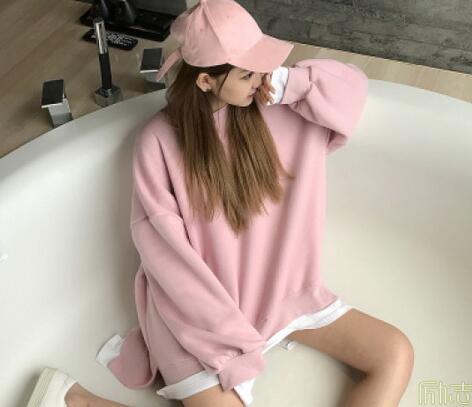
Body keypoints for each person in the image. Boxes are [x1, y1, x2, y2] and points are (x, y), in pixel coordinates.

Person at [26, 1, 414, 406]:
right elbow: (166, 257)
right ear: (206, 81)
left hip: (281, 295)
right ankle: (75, 400)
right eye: (247, 73)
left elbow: (352, 88)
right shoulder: (159, 141)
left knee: (395, 353)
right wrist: (231, 340)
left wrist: (291, 83)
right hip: (199, 322)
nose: (259, 80)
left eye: (261, 69)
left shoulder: (275, 107)